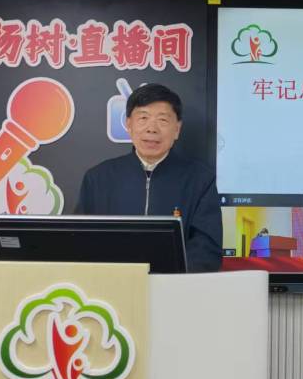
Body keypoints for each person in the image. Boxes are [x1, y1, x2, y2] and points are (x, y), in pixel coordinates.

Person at [75, 83, 221, 272]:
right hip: (112, 284)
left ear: (177, 129)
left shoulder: (200, 179)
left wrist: (169, 276)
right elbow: (80, 241)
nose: (152, 129)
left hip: (175, 285)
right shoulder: (98, 178)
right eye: (143, 118)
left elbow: (206, 249)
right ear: (129, 125)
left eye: (163, 120)